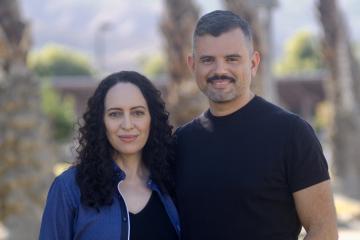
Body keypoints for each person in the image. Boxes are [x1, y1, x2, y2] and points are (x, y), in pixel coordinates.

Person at [175, 10, 338, 240]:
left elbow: (323, 230)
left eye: (232, 59)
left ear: (253, 63)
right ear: (193, 65)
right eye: (207, 60)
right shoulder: (180, 143)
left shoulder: (292, 134)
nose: (220, 70)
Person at [39, 71, 180, 240]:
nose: (127, 125)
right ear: (101, 121)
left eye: (137, 112)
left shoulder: (172, 183)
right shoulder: (69, 189)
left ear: (152, 119)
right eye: (115, 114)